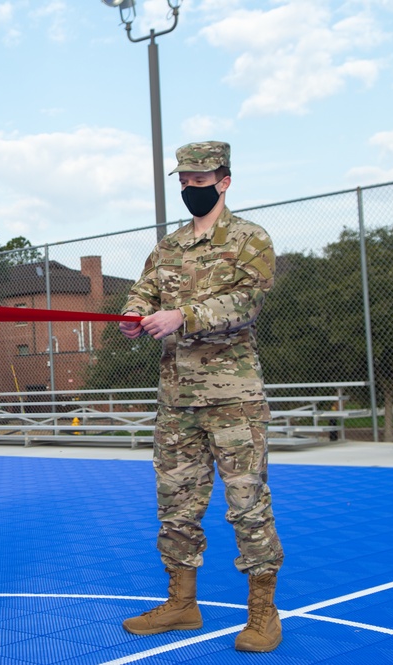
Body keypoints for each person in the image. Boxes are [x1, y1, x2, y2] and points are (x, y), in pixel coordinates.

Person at [118, 142, 284, 653]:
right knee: (175, 506)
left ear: (225, 180)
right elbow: (144, 291)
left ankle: (263, 614)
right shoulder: (167, 248)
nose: (191, 188)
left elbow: (246, 302)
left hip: (234, 398)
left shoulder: (250, 238)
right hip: (177, 400)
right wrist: (132, 314)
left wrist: (182, 316)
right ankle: (182, 603)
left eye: (200, 179)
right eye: (184, 180)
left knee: (247, 504)